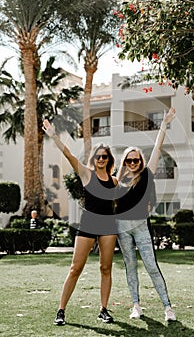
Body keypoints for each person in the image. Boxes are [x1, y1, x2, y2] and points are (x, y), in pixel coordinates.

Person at [43, 119, 118, 325]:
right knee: (76, 268)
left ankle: (103, 309)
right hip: (88, 224)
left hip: (109, 226)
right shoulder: (86, 173)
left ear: (109, 159)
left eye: (105, 156)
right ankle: (61, 310)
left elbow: (122, 201)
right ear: (94, 158)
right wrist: (53, 135)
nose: (101, 159)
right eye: (98, 156)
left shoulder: (114, 180)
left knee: (106, 268)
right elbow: (68, 154)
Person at [115, 107, 177, 322]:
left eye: (136, 160)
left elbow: (158, 147)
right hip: (122, 228)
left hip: (141, 225)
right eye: (129, 160)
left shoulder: (147, 175)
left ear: (141, 161)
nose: (133, 163)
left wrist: (164, 122)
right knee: (130, 267)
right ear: (124, 162)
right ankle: (136, 305)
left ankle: (168, 308)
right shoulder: (118, 182)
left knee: (151, 266)